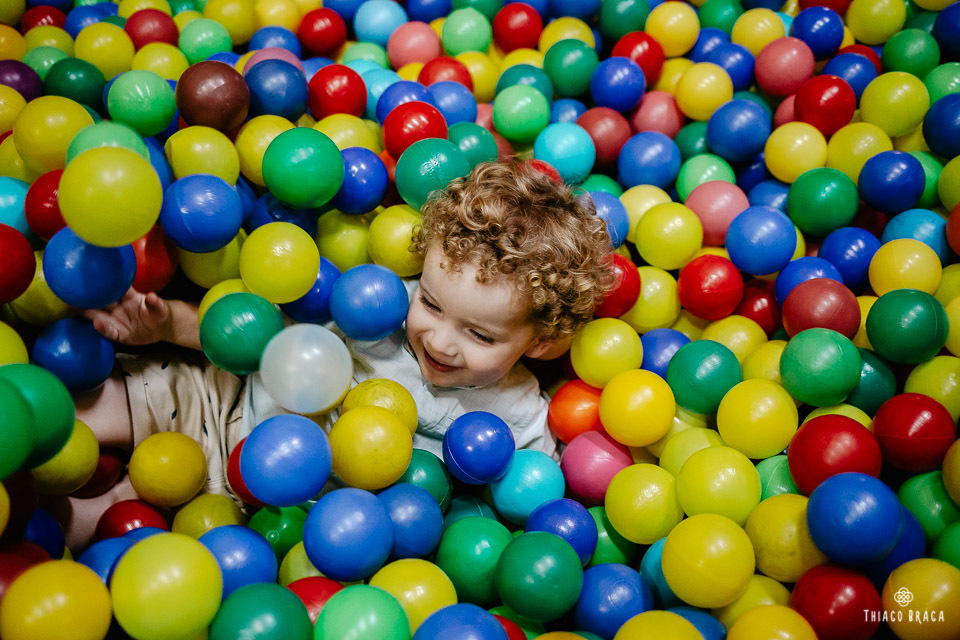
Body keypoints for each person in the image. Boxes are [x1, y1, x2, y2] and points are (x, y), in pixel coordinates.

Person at [60, 161, 615, 549]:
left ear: (540, 342)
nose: (440, 341)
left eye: (480, 336)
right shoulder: (378, 307)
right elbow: (265, 335)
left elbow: (536, 496)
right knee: (83, 414)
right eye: (431, 303)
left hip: (273, 510)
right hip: (222, 397)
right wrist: (168, 325)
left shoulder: (518, 416)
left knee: (107, 519)